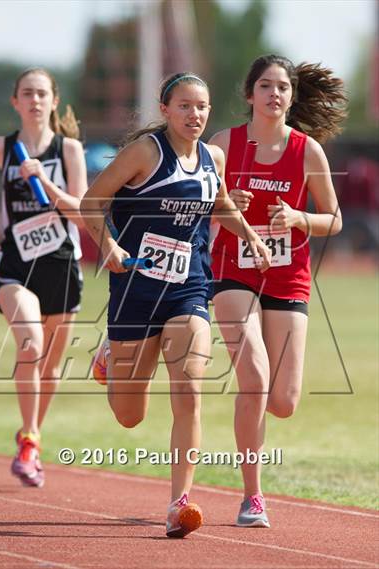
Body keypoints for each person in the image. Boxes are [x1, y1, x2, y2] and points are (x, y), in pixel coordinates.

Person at [81, 72, 271, 538]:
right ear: (165, 109)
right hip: (135, 289)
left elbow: (219, 201)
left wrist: (249, 235)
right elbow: (91, 202)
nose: (195, 115)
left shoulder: (213, 157)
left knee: (188, 391)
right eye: (185, 106)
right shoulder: (146, 152)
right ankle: (109, 357)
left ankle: (179, 503)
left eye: (202, 106)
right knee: (130, 415)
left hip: (188, 287)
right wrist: (109, 246)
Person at [209, 54, 347, 527]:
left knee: (283, 400)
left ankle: (252, 410)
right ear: (250, 95)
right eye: (265, 86)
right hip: (234, 271)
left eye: (283, 87)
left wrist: (298, 218)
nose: (275, 94)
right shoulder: (224, 144)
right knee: (254, 376)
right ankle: (253, 496)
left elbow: (334, 219)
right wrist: (225, 203)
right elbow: (196, 203)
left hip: (288, 274)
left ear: (292, 96)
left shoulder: (307, 150)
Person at [0, 67, 88, 487]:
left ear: (53, 100)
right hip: (16, 266)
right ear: (15, 102)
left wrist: (45, 183)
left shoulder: (68, 150)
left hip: (62, 266)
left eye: (42, 94)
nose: (35, 100)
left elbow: (81, 209)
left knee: (49, 368)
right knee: (30, 343)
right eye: (27, 94)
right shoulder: (2, 147)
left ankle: (31, 433)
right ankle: (30, 442)